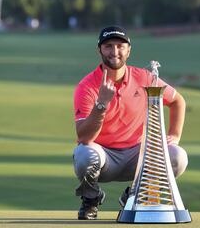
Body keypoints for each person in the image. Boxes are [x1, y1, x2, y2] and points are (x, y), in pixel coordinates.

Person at [73, 25, 188, 220]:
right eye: (108, 46)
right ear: (99, 50)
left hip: (139, 155)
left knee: (178, 157)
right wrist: (102, 103)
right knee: (83, 155)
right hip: (105, 157)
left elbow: (178, 101)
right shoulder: (87, 86)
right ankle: (91, 199)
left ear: (129, 50)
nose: (115, 51)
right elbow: (84, 137)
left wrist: (174, 136)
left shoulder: (144, 77)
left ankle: (133, 196)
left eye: (120, 46)